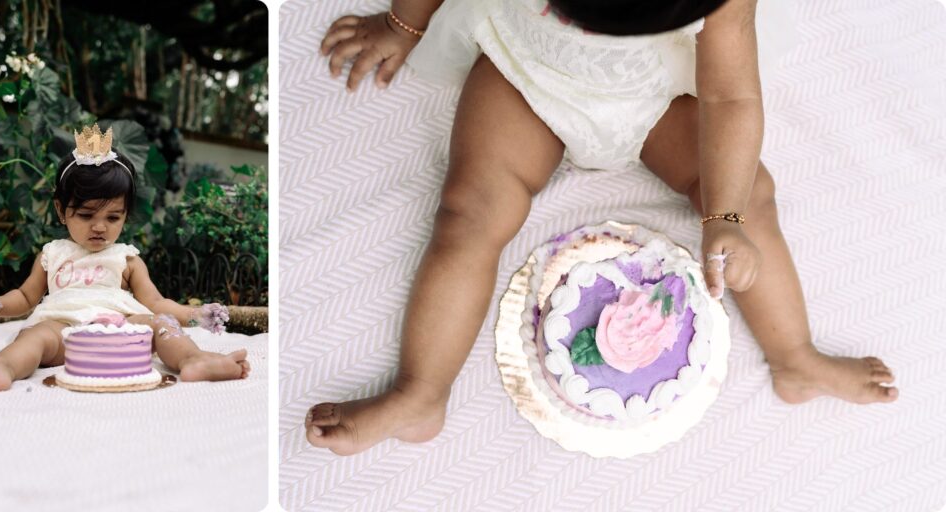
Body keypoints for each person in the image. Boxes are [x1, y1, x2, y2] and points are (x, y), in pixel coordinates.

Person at [305, 0, 899, 456]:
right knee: (468, 213)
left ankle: (795, 357)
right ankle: (421, 393)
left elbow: (731, 95)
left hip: (660, 89)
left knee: (753, 196)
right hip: (526, 72)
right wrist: (403, 24)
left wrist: (726, 217)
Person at [0, 125, 250, 391]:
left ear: (126, 215)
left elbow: (157, 303)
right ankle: (1, 368)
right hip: (62, 331)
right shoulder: (52, 254)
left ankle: (192, 359)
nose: (100, 226)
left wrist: (195, 315)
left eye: (113, 217)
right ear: (61, 210)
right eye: (86, 215)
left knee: (161, 322)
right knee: (34, 337)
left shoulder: (127, 259)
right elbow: (25, 297)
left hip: (123, 329)